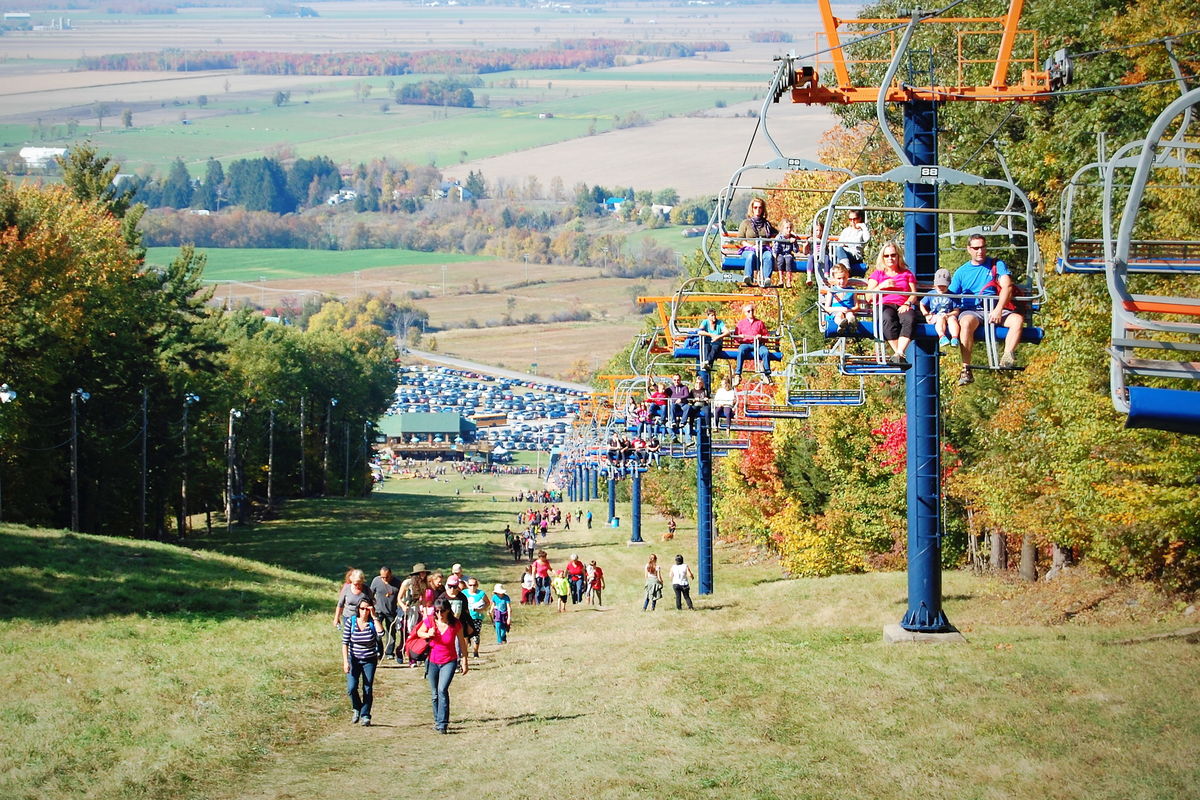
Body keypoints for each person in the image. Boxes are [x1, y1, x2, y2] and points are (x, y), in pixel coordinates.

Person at [949, 235, 1026, 385]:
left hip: (994, 307)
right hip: (972, 310)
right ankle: (966, 368)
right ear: (969, 249)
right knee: (965, 323)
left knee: (1017, 320)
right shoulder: (962, 272)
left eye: (982, 247)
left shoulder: (996, 265)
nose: (980, 251)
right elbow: (951, 295)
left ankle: (1007, 355)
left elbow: (1007, 286)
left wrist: (998, 309)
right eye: (976, 248)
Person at [415, 597, 469, 734]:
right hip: (432, 661)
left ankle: (442, 724)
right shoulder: (430, 622)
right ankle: (437, 720)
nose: (439, 614)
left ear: (448, 610)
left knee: (442, 690)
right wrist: (428, 633)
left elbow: (462, 642)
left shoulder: (455, 624)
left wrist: (464, 660)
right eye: (437, 611)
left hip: (449, 661)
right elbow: (419, 632)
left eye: (442, 611)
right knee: (434, 694)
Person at [866, 242, 921, 366]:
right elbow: (868, 297)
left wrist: (907, 303)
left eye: (893, 255)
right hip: (885, 304)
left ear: (898, 256)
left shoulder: (906, 274)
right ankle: (899, 354)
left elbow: (914, 294)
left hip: (903, 304)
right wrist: (881, 286)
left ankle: (899, 352)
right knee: (887, 318)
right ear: (883, 257)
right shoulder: (878, 274)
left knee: (909, 318)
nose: (890, 258)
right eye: (887, 256)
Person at [342, 598, 381, 726]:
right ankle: (357, 708)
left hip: (369, 660)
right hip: (354, 659)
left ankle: (365, 715)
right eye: (362, 609)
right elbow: (345, 643)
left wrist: (374, 616)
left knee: (367, 688)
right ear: (358, 609)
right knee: (351, 687)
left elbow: (381, 633)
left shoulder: (372, 622)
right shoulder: (351, 622)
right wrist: (345, 662)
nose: (364, 612)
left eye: (367, 609)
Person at [738, 198, 778, 287]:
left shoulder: (766, 224)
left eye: (760, 207)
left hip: (764, 249)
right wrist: (752, 246)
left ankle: (766, 278)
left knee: (768, 256)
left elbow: (778, 234)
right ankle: (748, 276)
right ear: (752, 208)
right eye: (755, 207)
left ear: (763, 209)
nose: (758, 210)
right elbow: (741, 239)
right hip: (749, 249)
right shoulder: (746, 223)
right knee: (751, 255)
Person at [397, 564, 429, 666]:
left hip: (417, 611)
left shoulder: (424, 584)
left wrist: (424, 610)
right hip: (407, 612)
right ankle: (400, 652)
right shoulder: (407, 583)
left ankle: (414, 658)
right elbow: (399, 598)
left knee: (416, 635)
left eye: (424, 572)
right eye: (421, 572)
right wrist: (403, 606)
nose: (423, 574)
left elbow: (423, 598)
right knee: (406, 636)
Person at [733, 303, 772, 384]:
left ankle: (767, 374)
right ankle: (737, 374)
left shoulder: (759, 323)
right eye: (748, 311)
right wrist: (740, 337)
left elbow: (766, 336)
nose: (751, 312)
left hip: (758, 344)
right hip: (746, 344)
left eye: (752, 310)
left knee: (765, 352)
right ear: (745, 313)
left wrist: (760, 336)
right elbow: (736, 338)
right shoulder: (741, 323)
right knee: (741, 351)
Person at [921, 268, 961, 348]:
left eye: (944, 286)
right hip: (935, 316)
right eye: (939, 286)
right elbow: (922, 304)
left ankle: (954, 338)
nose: (941, 288)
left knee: (952, 319)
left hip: (947, 315)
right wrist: (926, 314)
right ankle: (942, 336)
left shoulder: (952, 295)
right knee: (940, 319)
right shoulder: (931, 294)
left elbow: (956, 310)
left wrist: (948, 315)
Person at [369, 566, 401, 661]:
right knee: (377, 632)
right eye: (382, 577)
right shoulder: (376, 581)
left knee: (391, 632)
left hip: (391, 611)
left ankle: (389, 652)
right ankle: (379, 651)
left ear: (391, 574)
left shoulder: (397, 583)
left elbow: (402, 595)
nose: (384, 579)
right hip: (378, 611)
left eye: (386, 577)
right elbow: (370, 594)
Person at [822, 262, 858, 335]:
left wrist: (850, 310)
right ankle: (841, 324)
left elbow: (857, 306)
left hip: (848, 310)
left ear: (847, 276)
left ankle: (851, 324)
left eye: (844, 278)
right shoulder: (832, 291)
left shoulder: (852, 290)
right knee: (839, 315)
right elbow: (827, 308)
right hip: (836, 311)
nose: (842, 281)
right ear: (834, 278)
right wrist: (840, 309)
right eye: (839, 278)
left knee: (850, 314)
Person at [834, 208, 870, 276]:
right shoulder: (846, 231)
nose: (853, 221)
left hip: (855, 256)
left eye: (855, 219)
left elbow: (867, 239)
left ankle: (846, 270)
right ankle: (843, 272)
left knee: (839, 251)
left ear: (860, 219)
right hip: (845, 254)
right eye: (850, 219)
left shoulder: (862, 232)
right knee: (837, 250)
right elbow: (840, 243)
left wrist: (863, 226)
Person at [462, 577, 491, 658]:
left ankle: (475, 652)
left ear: (477, 585)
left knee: (476, 635)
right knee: (465, 635)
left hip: (477, 617)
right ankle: (465, 652)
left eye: (474, 585)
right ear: (467, 585)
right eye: (470, 585)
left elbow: (487, 603)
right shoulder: (464, 593)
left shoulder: (481, 593)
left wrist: (481, 609)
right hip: (466, 617)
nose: (472, 587)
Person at [773, 219, 801, 289]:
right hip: (780, 253)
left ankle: (788, 280)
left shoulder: (792, 237)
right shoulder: (779, 237)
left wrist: (794, 242)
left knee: (789, 260)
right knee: (780, 260)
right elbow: (775, 248)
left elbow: (796, 250)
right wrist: (775, 257)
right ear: (782, 229)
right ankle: (781, 279)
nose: (788, 230)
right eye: (786, 228)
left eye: (790, 228)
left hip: (788, 254)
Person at [683, 377, 710, 441]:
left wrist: (706, 399)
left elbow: (708, 399)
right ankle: (691, 429)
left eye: (700, 383)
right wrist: (694, 400)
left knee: (707, 411)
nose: (698, 384)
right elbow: (689, 400)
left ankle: (708, 427)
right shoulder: (692, 391)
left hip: (703, 405)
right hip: (695, 404)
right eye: (697, 382)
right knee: (691, 411)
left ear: (702, 383)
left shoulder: (705, 391)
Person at [666, 373, 691, 441]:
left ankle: (683, 422)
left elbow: (687, 395)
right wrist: (653, 384)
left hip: (682, 404)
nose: (676, 381)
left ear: (680, 380)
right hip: (675, 404)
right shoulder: (670, 389)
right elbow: (661, 391)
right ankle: (673, 421)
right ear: (672, 380)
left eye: (678, 380)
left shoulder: (684, 387)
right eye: (675, 380)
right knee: (673, 406)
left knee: (687, 407)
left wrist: (681, 399)